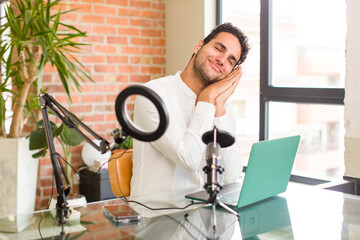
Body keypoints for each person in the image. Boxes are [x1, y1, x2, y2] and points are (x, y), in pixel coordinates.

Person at [131, 22, 250, 196]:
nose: (222, 60)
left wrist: (217, 107)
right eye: (219, 49)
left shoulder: (220, 104)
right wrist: (207, 98)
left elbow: (231, 175)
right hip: (157, 216)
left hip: (200, 214)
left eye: (230, 61)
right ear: (198, 46)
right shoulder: (152, 95)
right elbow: (187, 158)